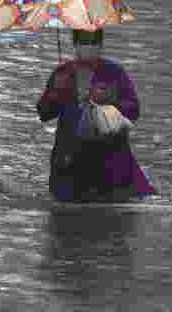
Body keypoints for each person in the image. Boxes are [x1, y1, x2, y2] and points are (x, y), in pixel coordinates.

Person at [36, 28, 155, 202]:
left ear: (100, 46)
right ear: (75, 45)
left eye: (93, 43)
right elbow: (44, 113)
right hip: (69, 158)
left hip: (109, 158)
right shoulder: (62, 73)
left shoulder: (114, 73)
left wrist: (107, 101)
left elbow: (133, 110)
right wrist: (55, 92)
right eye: (84, 42)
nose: (88, 47)